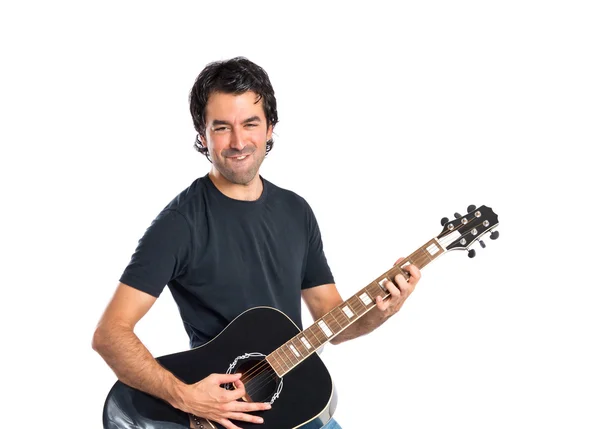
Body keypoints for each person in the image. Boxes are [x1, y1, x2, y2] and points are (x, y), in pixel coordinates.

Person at [92, 56, 422, 429]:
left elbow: (336, 323)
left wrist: (381, 311)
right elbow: (110, 334)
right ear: (202, 134)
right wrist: (188, 397)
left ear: (270, 129)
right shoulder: (179, 224)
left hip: (297, 406)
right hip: (224, 418)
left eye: (250, 123)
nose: (238, 142)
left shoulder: (297, 212)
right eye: (221, 128)